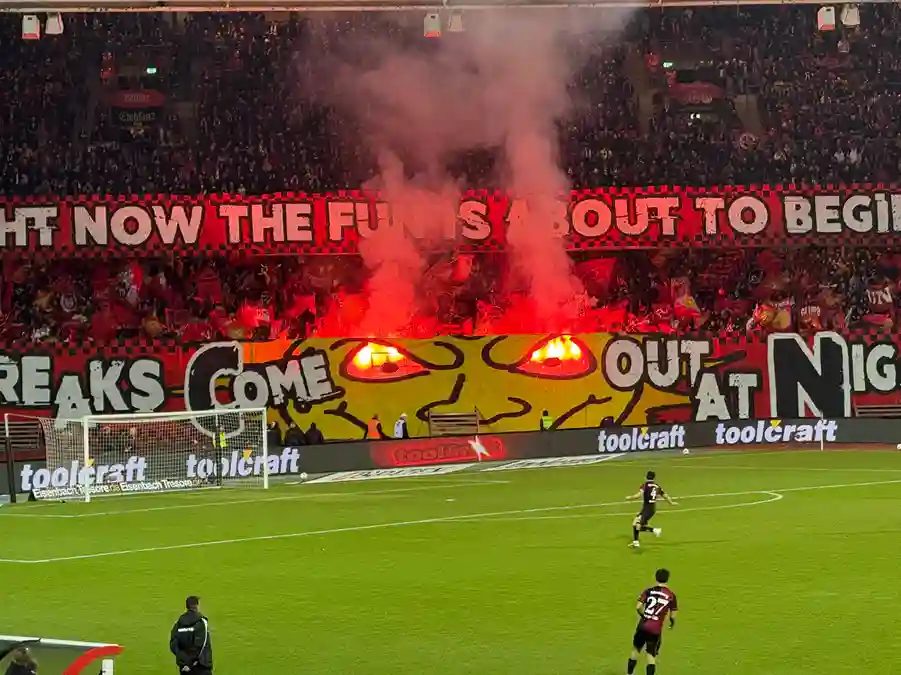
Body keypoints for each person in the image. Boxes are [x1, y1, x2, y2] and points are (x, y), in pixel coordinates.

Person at [627, 569, 678, 675]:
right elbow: (673, 613)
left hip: (643, 626)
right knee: (651, 655)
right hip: (655, 629)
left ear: (655, 577)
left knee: (636, 650)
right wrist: (672, 622)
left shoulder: (648, 591)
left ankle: (629, 674)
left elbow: (638, 607)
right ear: (667, 579)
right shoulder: (671, 595)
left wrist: (644, 615)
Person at [625, 471, 677, 548]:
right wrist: (671, 502)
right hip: (651, 508)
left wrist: (630, 497)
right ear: (654, 478)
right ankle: (636, 541)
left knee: (637, 525)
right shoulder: (657, 486)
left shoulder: (645, 485)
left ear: (646, 477)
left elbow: (638, 495)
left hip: (647, 509)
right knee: (635, 524)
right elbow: (664, 495)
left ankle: (654, 531)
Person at [170, 596, 213, 675]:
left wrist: (184, 662)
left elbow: (174, 644)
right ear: (197, 606)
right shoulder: (201, 622)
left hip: (185, 668)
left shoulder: (179, 624)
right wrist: (191, 663)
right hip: (200, 666)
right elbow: (200, 645)